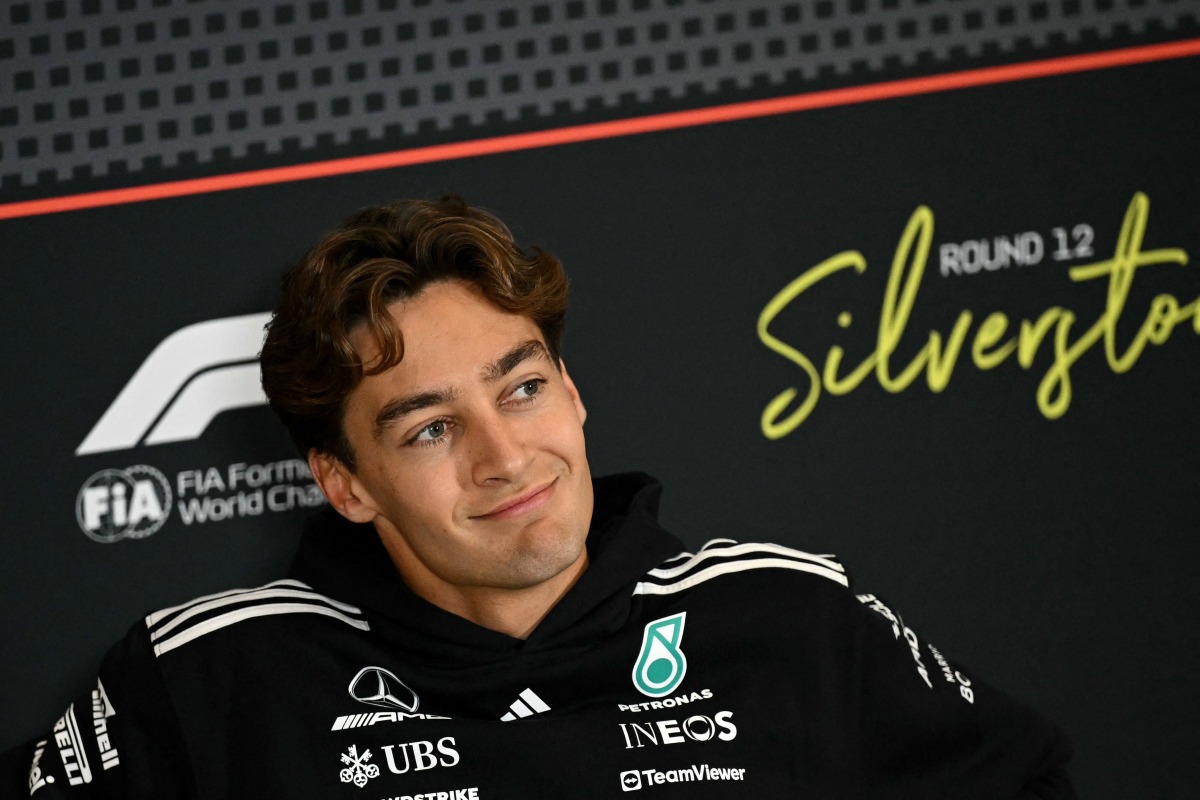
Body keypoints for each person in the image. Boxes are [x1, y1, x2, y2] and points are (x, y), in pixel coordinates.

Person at [3, 196, 1074, 798]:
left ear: (572, 390)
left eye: (522, 388)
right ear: (345, 482)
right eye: (429, 427)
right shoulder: (204, 681)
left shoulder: (795, 621)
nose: (505, 454)